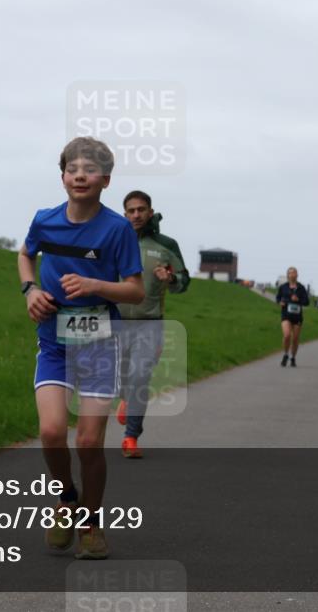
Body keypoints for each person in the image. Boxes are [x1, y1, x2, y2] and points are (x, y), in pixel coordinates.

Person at [18, 137, 144, 559]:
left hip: (98, 346)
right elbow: (25, 254)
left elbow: (135, 291)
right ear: (62, 177)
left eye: (89, 170)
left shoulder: (117, 229)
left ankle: (90, 522)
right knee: (52, 432)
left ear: (105, 180)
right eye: (72, 169)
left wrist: (94, 285)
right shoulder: (44, 220)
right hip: (53, 343)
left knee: (89, 442)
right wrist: (30, 288)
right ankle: (67, 499)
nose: (80, 176)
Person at [115, 190, 190, 459]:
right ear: (125, 214)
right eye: (131, 210)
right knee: (121, 378)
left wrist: (170, 279)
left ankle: (131, 437)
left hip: (150, 324)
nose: (136, 214)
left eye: (141, 209)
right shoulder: (114, 240)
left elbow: (184, 282)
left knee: (140, 376)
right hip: (115, 323)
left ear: (150, 212)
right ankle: (125, 398)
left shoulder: (167, 245)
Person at [277, 267, 310, 367]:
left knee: (295, 338)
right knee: (287, 335)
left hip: (297, 316)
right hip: (286, 315)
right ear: (288, 275)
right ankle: (286, 354)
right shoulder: (283, 287)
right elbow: (278, 298)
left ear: (297, 275)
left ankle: (293, 358)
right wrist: (280, 302)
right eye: (290, 273)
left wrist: (298, 299)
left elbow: (307, 302)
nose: (292, 274)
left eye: (294, 273)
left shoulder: (301, 288)